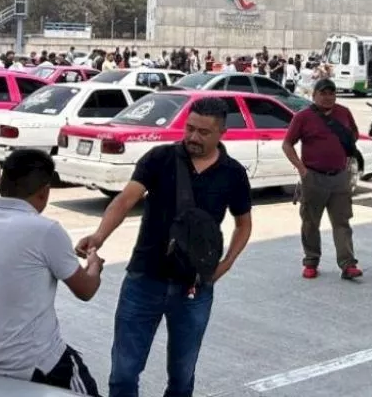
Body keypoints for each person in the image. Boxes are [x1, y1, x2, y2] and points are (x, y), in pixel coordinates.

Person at [77, 98, 252, 397]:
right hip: (144, 280)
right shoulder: (159, 158)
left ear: (222, 132)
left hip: (194, 289)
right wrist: (99, 235)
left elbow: (243, 225)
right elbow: (125, 200)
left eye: (203, 132)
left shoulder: (233, 173)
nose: (193, 137)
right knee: (123, 374)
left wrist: (224, 265)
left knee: (182, 378)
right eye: (190, 128)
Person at [0, 149, 103, 395]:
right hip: (37, 365)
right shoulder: (45, 230)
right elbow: (86, 290)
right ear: (44, 192)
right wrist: (94, 263)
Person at [283, 79, 363, 280]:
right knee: (310, 223)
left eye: (332, 93)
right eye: (323, 93)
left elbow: (352, 135)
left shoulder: (343, 113)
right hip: (313, 177)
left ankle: (348, 264)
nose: (328, 97)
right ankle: (311, 262)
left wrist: (344, 157)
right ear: (314, 95)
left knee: (342, 222)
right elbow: (287, 144)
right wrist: (302, 169)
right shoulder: (303, 117)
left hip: (339, 178)